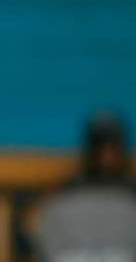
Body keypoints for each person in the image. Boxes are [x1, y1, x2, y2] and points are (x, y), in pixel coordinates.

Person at [35, 109, 136, 262]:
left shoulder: (130, 195)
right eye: (101, 148)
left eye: (112, 148)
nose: (107, 156)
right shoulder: (64, 195)